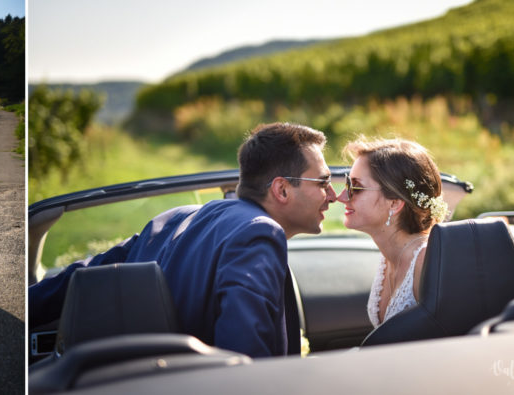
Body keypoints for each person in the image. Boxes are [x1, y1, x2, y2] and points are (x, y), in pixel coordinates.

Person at [28, 122, 337, 358]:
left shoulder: (175, 218)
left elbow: (82, 274)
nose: (333, 195)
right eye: (323, 182)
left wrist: (25, 307)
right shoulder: (259, 234)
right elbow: (244, 360)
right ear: (281, 190)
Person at [336, 138, 449, 328]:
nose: (341, 197)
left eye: (356, 187)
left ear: (394, 203)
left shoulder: (426, 263)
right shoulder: (388, 257)